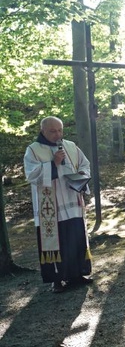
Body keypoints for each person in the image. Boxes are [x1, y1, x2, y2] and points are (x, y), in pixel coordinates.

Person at [24, 116, 93, 293]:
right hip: (51, 208)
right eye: (52, 131)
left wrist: (82, 176)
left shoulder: (70, 146)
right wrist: (52, 164)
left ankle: (78, 274)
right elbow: (31, 175)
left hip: (72, 202)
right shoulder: (33, 150)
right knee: (57, 242)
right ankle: (57, 280)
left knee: (75, 239)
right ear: (43, 131)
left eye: (60, 130)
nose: (57, 134)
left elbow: (85, 164)